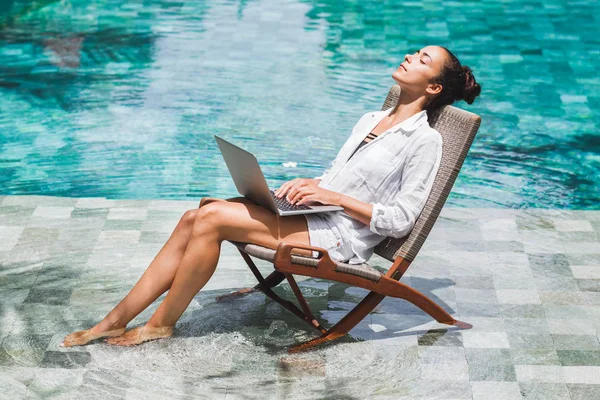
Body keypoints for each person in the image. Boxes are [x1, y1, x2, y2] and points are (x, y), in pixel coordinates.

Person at [61, 45, 481, 347]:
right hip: (315, 215)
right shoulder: (373, 118)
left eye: (423, 60)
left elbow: (402, 219)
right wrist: (302, 189)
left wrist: (330, 194)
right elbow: (337, 179)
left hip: (339, 239)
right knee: (196, 215)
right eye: (415, 52)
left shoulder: (424, 141)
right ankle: (115, 321)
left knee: (211, 220)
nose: (410, 56)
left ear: (432, 89)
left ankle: (160, 325)